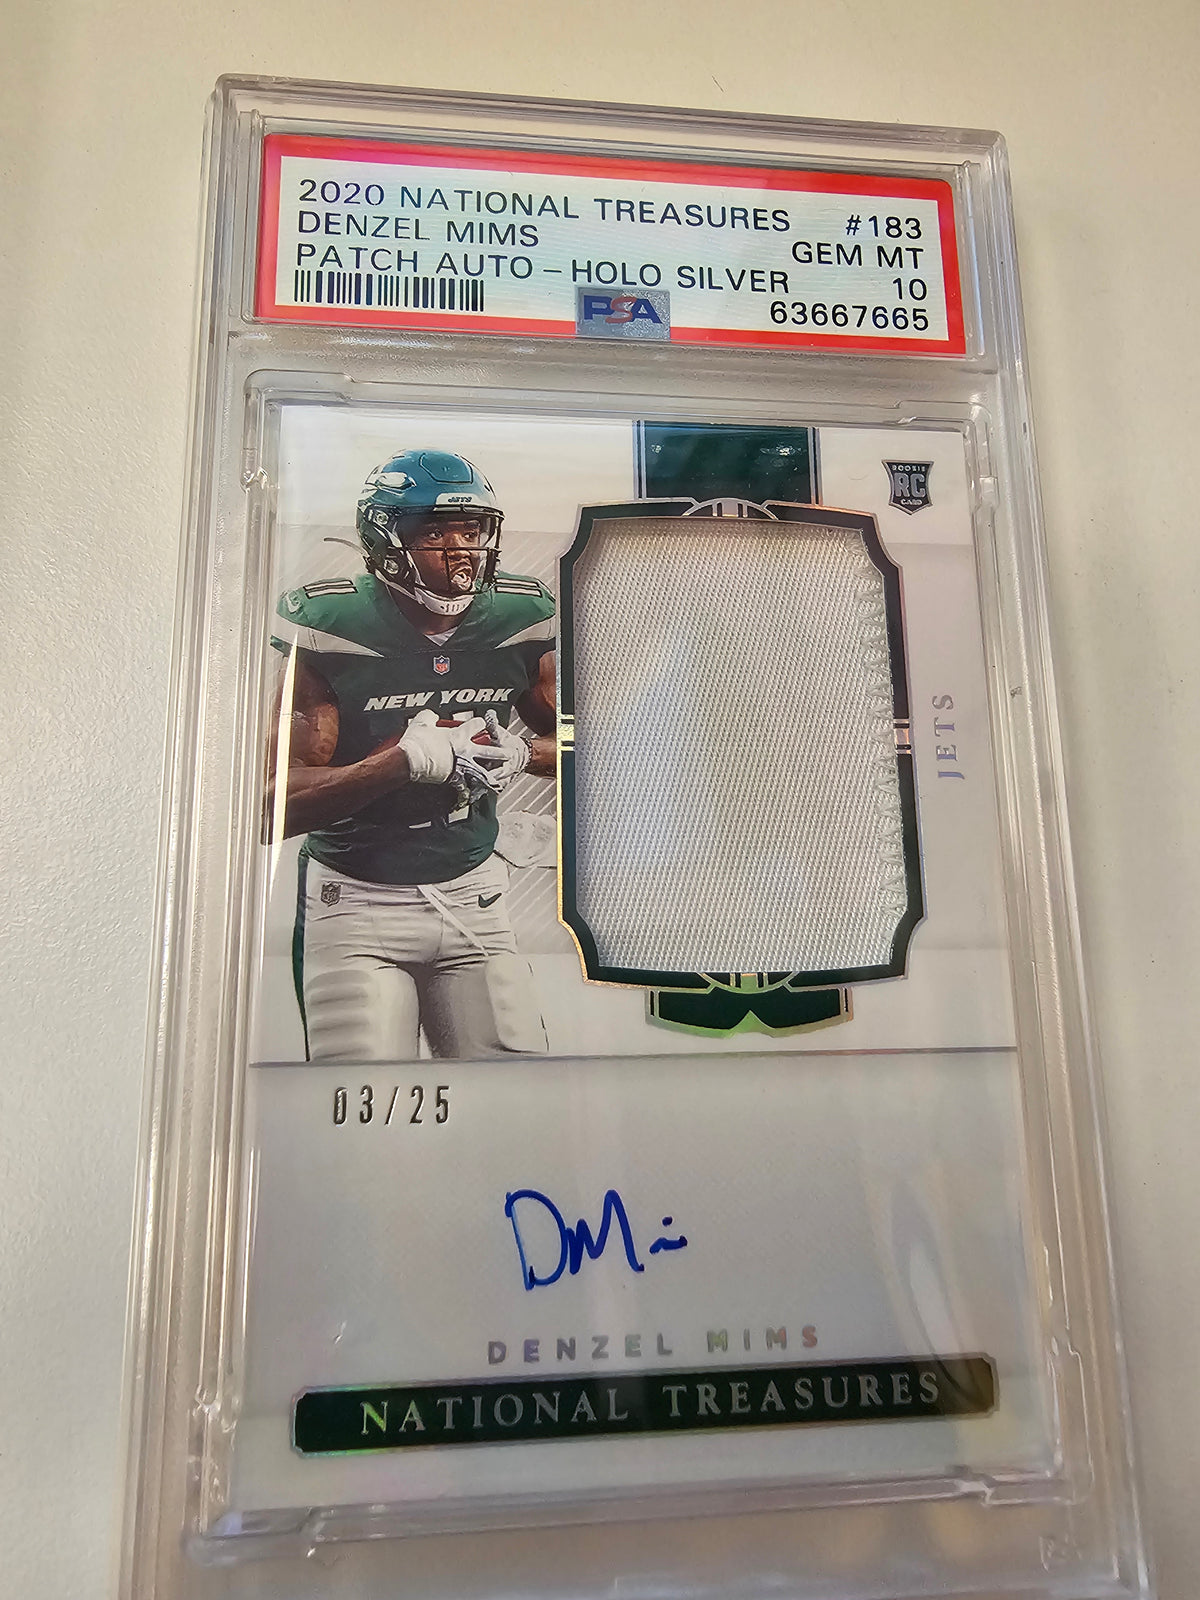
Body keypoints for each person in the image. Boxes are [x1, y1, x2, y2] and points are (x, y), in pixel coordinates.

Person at [267, 448, 556, 1060]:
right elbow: (268, 805)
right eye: (434, 532)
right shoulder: (331, 624)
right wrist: (401, 762)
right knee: (364, 1091)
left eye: (471, 531)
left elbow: (596, 744)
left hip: (476, 892)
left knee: (513, 1093)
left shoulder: (519, 617)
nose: (460, 550)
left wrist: (523, 751)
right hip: (356, 900)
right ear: (385, 538)